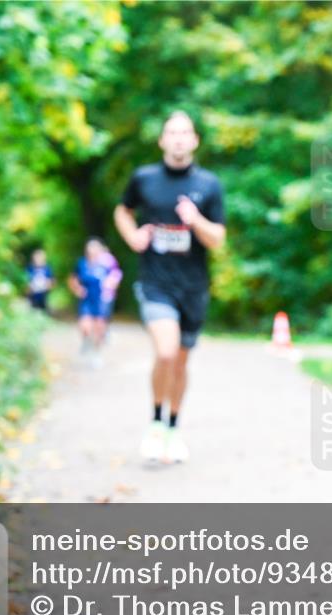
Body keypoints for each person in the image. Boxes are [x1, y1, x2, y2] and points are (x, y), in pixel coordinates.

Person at [114, 110, 226, 465]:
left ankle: (174, 427)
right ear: (162, 140)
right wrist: (133, 236)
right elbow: (122, 211)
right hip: (155, 282)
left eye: (184, 133)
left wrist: (195, 221)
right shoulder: (144, 178)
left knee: (179, 362)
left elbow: (218, 239)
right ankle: (155, 423)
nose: (178, 139)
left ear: (194, 141)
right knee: (165, 351)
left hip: (192, 287)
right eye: (171, 133)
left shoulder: (209, 184)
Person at [67, 238, 111, 366]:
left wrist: (110, 287)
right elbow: (72, 279)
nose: (93, 250)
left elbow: (114, 277)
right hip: (86, 300)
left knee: (99, 329)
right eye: (90, 247)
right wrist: (77, 289)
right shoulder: (81, 263)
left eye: (95, 247)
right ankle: (86, 340)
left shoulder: (105, 264)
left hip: (100, 300)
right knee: (85, 326)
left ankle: (97, 354)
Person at [99, 244, 123, 336]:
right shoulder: (97, 259)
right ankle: (102, 331)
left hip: (106, 292)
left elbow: (116, 274)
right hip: (102, 292)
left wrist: (111, 284)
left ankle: (104, 331)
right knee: (103, 313)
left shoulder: (109, 259)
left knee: (104, 313)